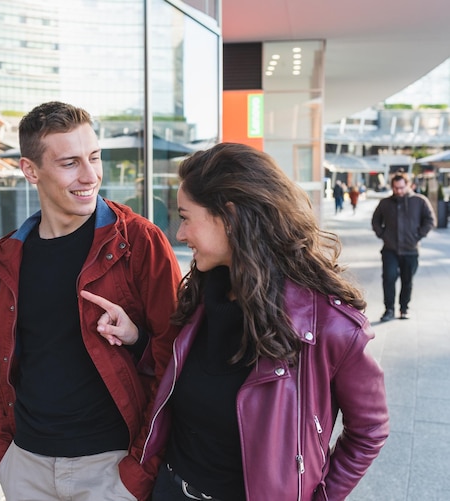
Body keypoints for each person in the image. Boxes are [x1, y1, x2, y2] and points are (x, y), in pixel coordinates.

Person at [87, 143, 390, 501]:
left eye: (185, 217)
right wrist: (137, 338)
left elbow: (369, 430)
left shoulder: (329, 325)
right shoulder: (204, 292)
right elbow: (182, 380)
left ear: (229, 217)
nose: (180, 234)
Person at [0, 101, 182, 501]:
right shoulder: (9, 256)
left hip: (110, 470)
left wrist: (139, 469)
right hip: (27, 467)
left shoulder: (139, 242)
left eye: (94, 157)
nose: (90, 176)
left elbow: (176, 356)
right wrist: (3, 453)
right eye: (70, 163)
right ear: (30, 170)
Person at [372, 172, 435, 322]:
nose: (398, 191)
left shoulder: (419, 201)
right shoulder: (385, 203)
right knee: (389, 278)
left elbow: (430, 220)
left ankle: (404, 308)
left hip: (411, 250)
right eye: (395, 188)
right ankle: (389, 310)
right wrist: (383, 235)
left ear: (408, 185)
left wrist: (417, 236)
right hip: (390, 249)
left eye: (401, 187)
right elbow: (375, 221)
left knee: (407, 281)